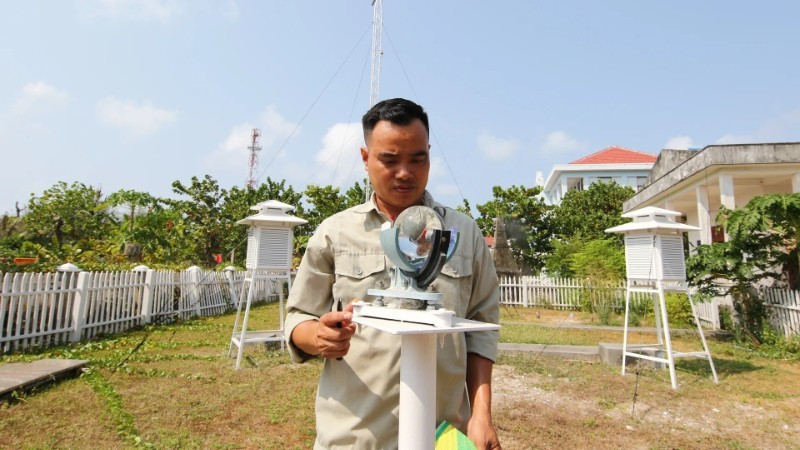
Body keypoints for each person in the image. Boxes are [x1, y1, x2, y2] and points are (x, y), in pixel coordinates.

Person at [286, 98, 501, 449]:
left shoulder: (463, 233)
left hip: (441, 437)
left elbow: (481, 331)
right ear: (365, 158)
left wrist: (482, 415)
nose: (405, 172)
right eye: (389, 159)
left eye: (418, 159)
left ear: (430, 154)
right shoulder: (335, 232)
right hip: (354, 436)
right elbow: (298, 318)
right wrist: (318, 336)